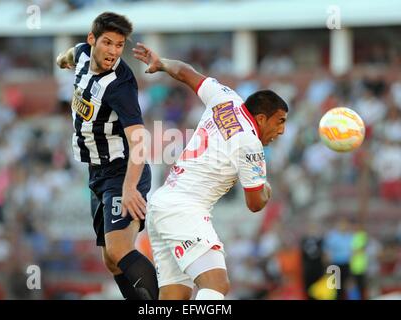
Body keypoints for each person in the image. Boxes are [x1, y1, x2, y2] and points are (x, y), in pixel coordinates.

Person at [133, 42, 288, 299]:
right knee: (216, 284)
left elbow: (184, 72)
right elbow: (254, 203)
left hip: (162, 204)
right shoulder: (250, 143)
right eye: (280, 122)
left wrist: (161, 63)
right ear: (261, 118)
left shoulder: (226, 97)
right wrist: (266, 189)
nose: (282, 130)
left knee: (174, 296)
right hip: (186, 209)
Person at [56, 12, 158, 300]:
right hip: (97, 174)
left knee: (119, 249)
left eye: (120, 45)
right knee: (111, 261)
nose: (114, 51)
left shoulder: (120, 86)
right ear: (92, 40)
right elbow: (69, 56)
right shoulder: (82, 55)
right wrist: (61, 61)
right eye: (108, 43)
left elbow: (139, 140)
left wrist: (129, 187)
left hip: (123, 172)